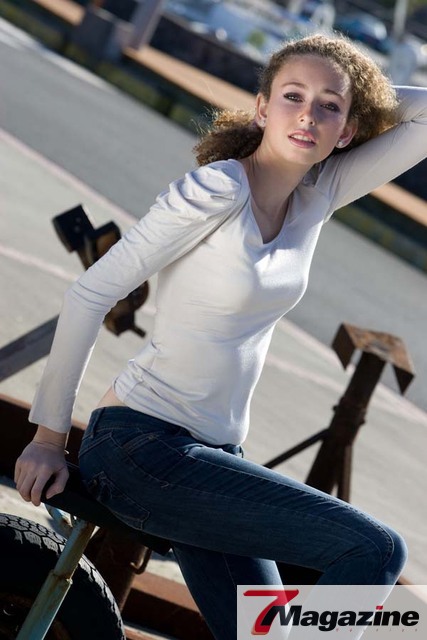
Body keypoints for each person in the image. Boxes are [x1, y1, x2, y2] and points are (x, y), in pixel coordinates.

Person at [15, 33, 426, 639]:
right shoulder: (217, 189)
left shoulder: (316, 198)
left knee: (264, 635)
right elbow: (90, 294)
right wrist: (48, 438)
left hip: (215, 461)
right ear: (261, 108)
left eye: (327, 107)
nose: (307, 115)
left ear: (348, 131)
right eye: (292, 96)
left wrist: (353, 90)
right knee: (377, 549)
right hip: (142, 449)